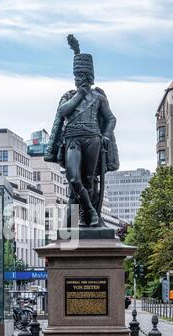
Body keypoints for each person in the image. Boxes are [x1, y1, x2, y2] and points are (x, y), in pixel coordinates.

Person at [45, 35, 119, 227]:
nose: (80, 80)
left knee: (88, 180)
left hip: (93, 139)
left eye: (83, 77)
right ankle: (90, 212)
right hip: (72, 140)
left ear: (90, 78)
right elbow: (63, 112)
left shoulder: (99, 98)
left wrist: (105, 136)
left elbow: (111, 119)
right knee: (73, 179)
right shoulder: (70, 96)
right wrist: (79, 95)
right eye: (77, 77)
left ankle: (82, 222)